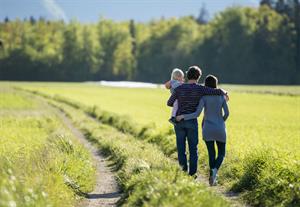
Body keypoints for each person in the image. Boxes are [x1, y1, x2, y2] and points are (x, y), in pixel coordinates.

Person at [167, 66, 227, 177]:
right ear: (198, 77)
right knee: (193, 149)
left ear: (187, 75)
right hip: (192, 122)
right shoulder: (200, 89)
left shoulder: (179, 88)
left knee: (181, 148)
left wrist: (180, 102)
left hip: (179, 121)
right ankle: (192, 173)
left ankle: (183, 171)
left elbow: (169, 103)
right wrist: (224, 92)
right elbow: (215, 91)